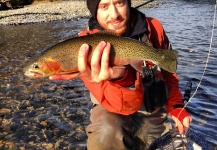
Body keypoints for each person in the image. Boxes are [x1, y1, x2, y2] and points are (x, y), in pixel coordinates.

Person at [50, 0, 192, 149]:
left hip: (153, 109)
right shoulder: (84, 48)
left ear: (128, 3)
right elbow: (122, 106)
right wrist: (121, 79)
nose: (114, 15)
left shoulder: (153, 28)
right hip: (110, 108)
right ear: (94, 12)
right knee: (106, 133)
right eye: (104, 6)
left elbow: (169, 74)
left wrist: (176, 106)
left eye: (119, 3)